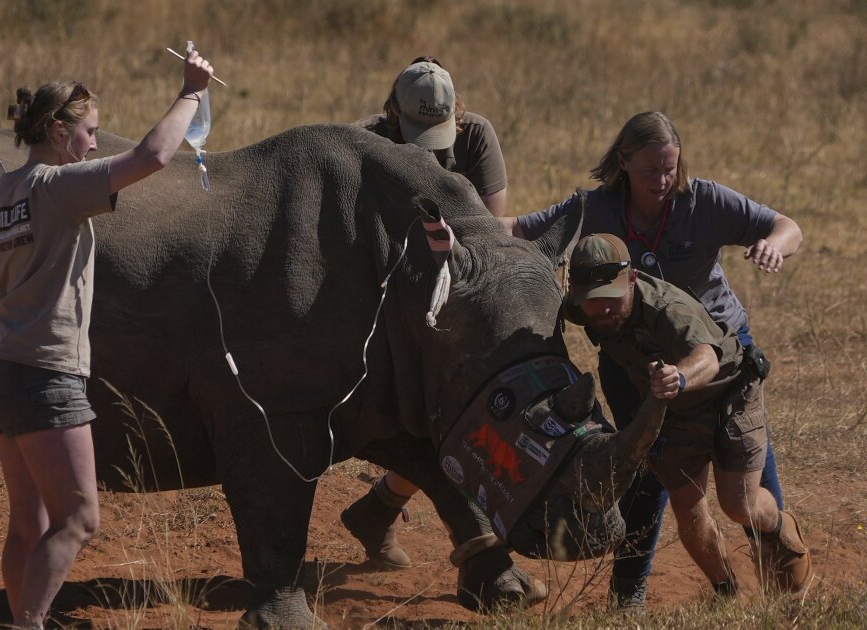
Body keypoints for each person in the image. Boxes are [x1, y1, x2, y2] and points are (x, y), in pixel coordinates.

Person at [0, 51, 213, 629]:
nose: (94, 144)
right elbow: (153, 156)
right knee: (79, 520)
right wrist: (191, 92)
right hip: (43, 374)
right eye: (89, 132)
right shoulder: (58, 187)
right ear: (58, 131)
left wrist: (16, 290)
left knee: (29, 524)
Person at [503, 111, 806, 608]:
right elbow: (518, 228)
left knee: (743, 490)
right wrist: (456, 225)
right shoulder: (594, 209)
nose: (663, 180)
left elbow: (785, 226)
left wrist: (774, 246)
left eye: (670, 168)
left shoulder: (703, 201)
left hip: (718, 356)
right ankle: (637, 594)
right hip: (632, 357)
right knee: (648, 475)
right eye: (651, 170)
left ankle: (781, 566)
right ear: (623, 162)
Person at [562, 233, 810, 600]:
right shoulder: (585, 308)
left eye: (610, 297)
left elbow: (707, 358)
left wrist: (678, 376)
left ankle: (778, 529)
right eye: (591, 300)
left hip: (728, 394)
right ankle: (727, 593)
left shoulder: (667, 308)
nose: (602, 310)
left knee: (738, 503)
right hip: (675, 408)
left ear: (631, 279)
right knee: (688, 512)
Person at [341, 56, 509, 569]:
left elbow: (487, 235)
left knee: (455, 414)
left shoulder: (475, 136)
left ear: (456, 113)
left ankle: (380, 508)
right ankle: (392, 515)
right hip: (383, 298)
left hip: (454, 287)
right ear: (393, 112)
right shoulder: (363, 140)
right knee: (430, 420)